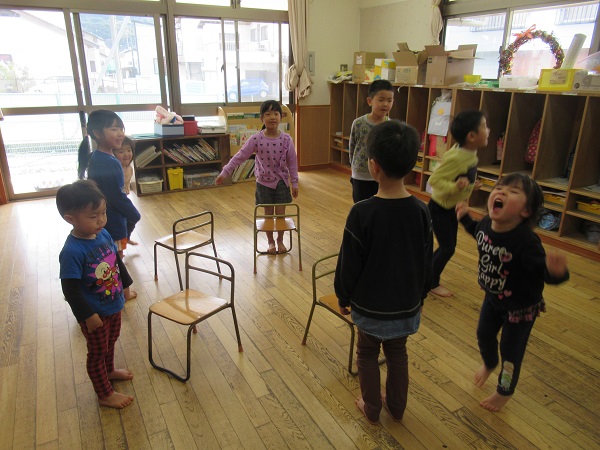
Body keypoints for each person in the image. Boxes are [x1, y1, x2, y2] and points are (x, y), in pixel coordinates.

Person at [334, 120, 433, 425]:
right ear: (411, 165)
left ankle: (371, 406)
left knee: (366, 353)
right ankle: (397, 408)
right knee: (397, 353)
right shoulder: (421, 210)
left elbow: (349, 263)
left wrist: (343, 296)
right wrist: (420, 296)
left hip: (370, 307)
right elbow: (426, 261)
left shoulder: (362, 212)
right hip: (406, 305)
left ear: (373, 166)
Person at [456, 173, 569, 412]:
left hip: (520, 310)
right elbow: (477, 232)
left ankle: (504, 391)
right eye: (500, 187)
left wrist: (556, 272)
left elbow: (543, 273)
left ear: (525, 211)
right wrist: (465, 217)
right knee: (484, 334)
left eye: (513, 191)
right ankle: (489, 363)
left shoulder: (527, 242)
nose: (501, 191)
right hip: (492, 298)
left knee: (511, 352)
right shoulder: (486, 223)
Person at [57, 180, 137, 409]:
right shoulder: (72, 251)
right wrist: (87, 315)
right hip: (94, 313)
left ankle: (109, 370)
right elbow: (70, 289)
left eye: (103, 212)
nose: (101, 220)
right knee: (97, 353)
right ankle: (104, 394)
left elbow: (116, 261)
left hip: (113, 304)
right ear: (70, 218)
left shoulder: (102, 234)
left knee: (111, 341)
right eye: (93, 216)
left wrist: (126, 285)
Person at [215, 100, 298, 255]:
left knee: (281, 214)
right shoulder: (256, 139)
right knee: (268, 215)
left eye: (276, 114)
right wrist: (225, 172)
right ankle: (270, 242)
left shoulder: (287, 140)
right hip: (263, 184)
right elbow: (239, 157)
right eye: (268, 114)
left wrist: (295, 183)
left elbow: (292, 163)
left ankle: (280, 240)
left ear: (281, 117)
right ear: (262, 118)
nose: (272, 117)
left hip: (281, 182)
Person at [427, 110, 488, 297]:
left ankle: (427, 275)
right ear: (471, 136)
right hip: (441, 208)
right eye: (484, 127)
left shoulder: (467, 152)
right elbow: (435, 180)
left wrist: (469, 186)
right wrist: (456, 187)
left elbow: (460, 176)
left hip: (450, 207)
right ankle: (431, 282)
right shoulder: (457, 157)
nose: (488, 130)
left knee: (447, 247)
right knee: (448, 248)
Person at [78, 109, 141, 259]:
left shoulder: (99, 156)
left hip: (107, 215)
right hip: (112, 218)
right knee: (116, 257)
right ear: (98, 133)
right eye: (114, 129)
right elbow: (115, 196)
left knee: (112, 254)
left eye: (121, 129)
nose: (120, 134)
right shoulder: (108, 162)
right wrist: (133, 213)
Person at [349, 79, 394, 203]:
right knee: (360, 205)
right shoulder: (358, 123)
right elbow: (352, 147)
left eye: (389, 100)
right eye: (381, 100)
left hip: (382, 176)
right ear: (370, 101)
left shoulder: (391, 126)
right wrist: (353, 168)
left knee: (380, 207)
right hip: (360, 175)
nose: (385, 104)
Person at [113, 136, 138, 245]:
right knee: (127, 219)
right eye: (121, 152)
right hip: (117, 201)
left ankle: (126, 238)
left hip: (124, 198)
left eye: (129, 150)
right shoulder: (115, 169)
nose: (126, 154)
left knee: (132, 218)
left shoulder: (129, 168)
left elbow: (127, 185)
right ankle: (121, 245)